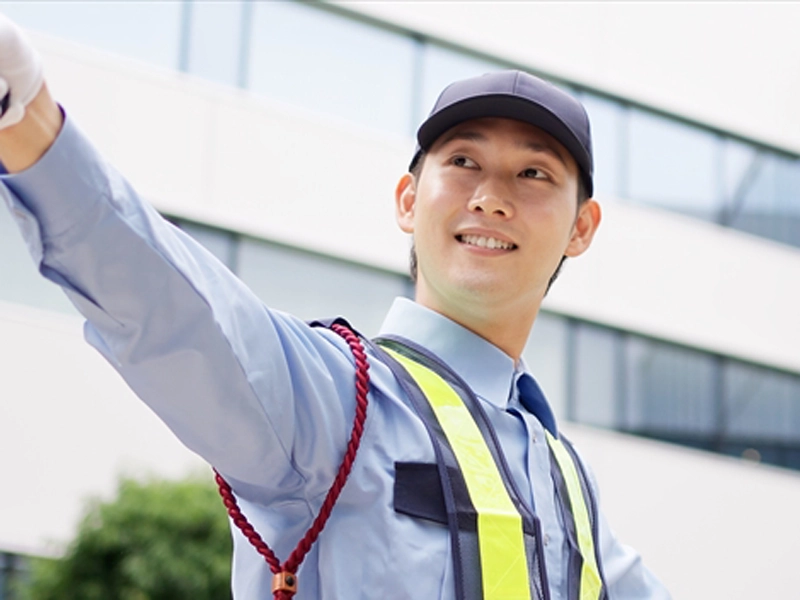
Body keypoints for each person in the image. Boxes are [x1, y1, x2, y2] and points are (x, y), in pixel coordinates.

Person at [0, 14, 670, 600]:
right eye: (463, 161)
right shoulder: (333, 399)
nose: (491, 197)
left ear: (582, 228)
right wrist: (25, 116)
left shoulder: (565, 478)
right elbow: (173, 306)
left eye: (533, 173)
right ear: (408, 200)